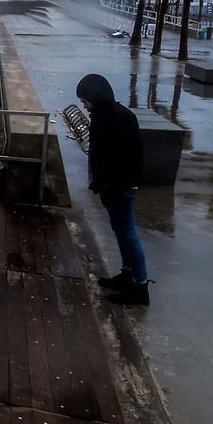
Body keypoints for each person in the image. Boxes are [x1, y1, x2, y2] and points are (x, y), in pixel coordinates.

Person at [76, 73, 150, 305]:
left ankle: (140, 286)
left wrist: (103, 181)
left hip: (119, 186)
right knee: (121, 231)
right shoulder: (108, 114)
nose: (83, 105)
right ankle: (128, 274)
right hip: (113, 185)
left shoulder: (115, 118)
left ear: (96, 97)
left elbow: (117, 156)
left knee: (127, 233)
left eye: (85, 100)